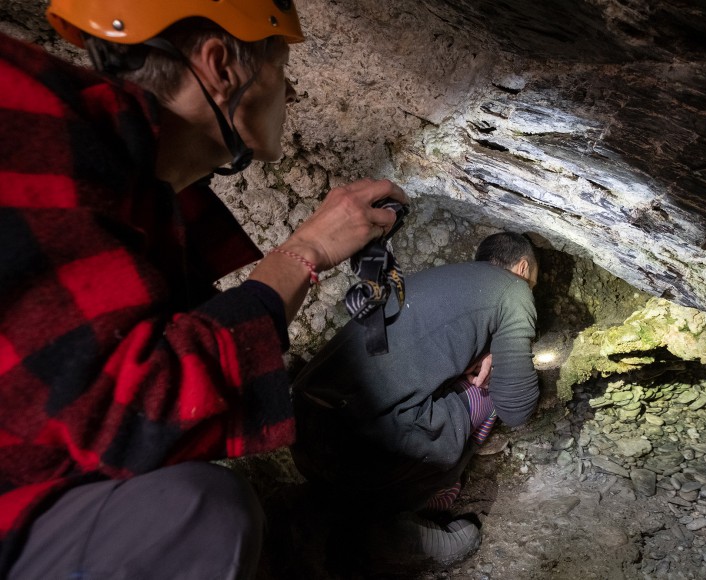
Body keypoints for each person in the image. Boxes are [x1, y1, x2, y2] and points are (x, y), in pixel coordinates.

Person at [0, 1, 408, 578]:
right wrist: (305, 252)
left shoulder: (129, 189)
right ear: (221, 67)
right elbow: (142, 413)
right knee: (200, 516)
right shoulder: (30, 144)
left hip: (27, 465)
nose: (290, 95)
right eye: (280, 68)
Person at [290, 232, 540, 570]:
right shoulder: (514, 290)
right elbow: (517, 408)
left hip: (303, 434)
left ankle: (370, 500)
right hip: (361, 452)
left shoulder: (445, 281)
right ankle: (400, 518)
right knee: (490, 390)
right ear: (523, 268)